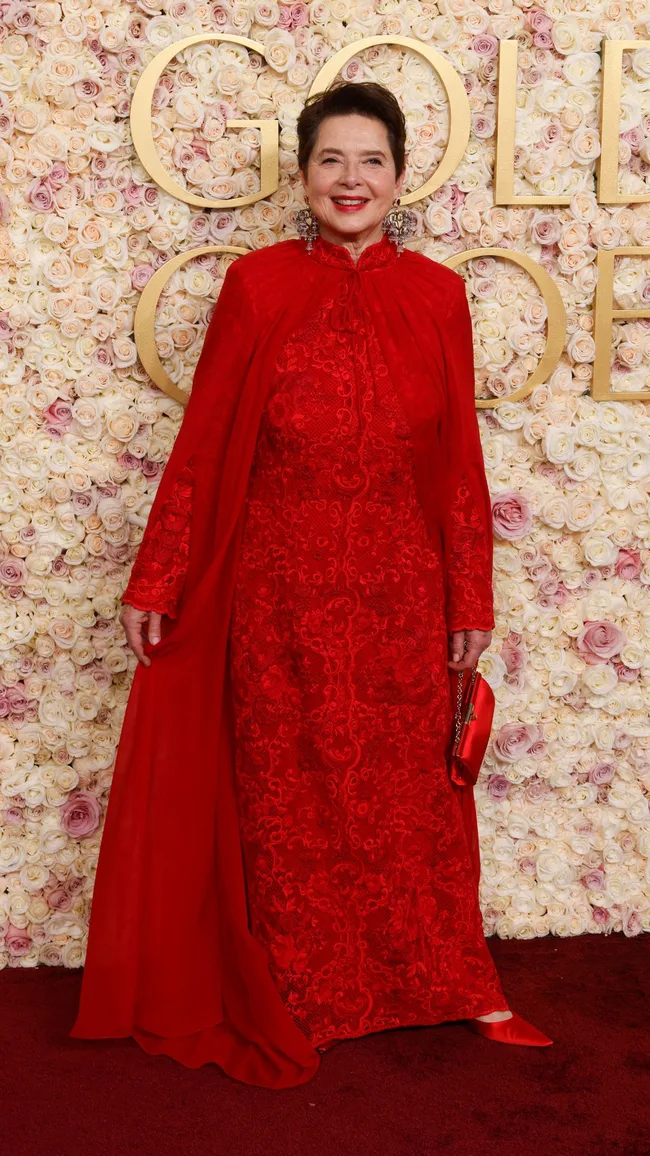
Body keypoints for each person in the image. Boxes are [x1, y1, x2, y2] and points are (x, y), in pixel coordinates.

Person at [70, 81, 551, 1088]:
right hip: (275, 588)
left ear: (398, 174)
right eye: (330, 159)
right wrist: (158, 573)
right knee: (288, 794)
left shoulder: (435, 295)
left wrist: (470, 601)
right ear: (300, 174)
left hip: (399, 589)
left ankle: (453, 982)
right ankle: (307, 993)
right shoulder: (257, 288)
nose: (349, 179)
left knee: (411, 794)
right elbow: (202, 443)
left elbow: (458, 459)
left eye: (369, 159)